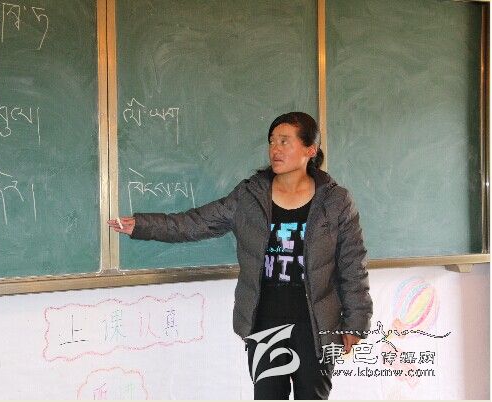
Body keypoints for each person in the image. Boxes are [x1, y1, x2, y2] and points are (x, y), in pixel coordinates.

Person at [108, 112, 373, 400]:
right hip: (265, 321)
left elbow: (352, 265)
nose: (275, 149)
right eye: (272, 141)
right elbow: (196, 222)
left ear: (310, 149)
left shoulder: (335, 201)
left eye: (285, 141)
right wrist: (142, 225)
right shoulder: (250, 196)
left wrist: (356, 323)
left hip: (316, 324)